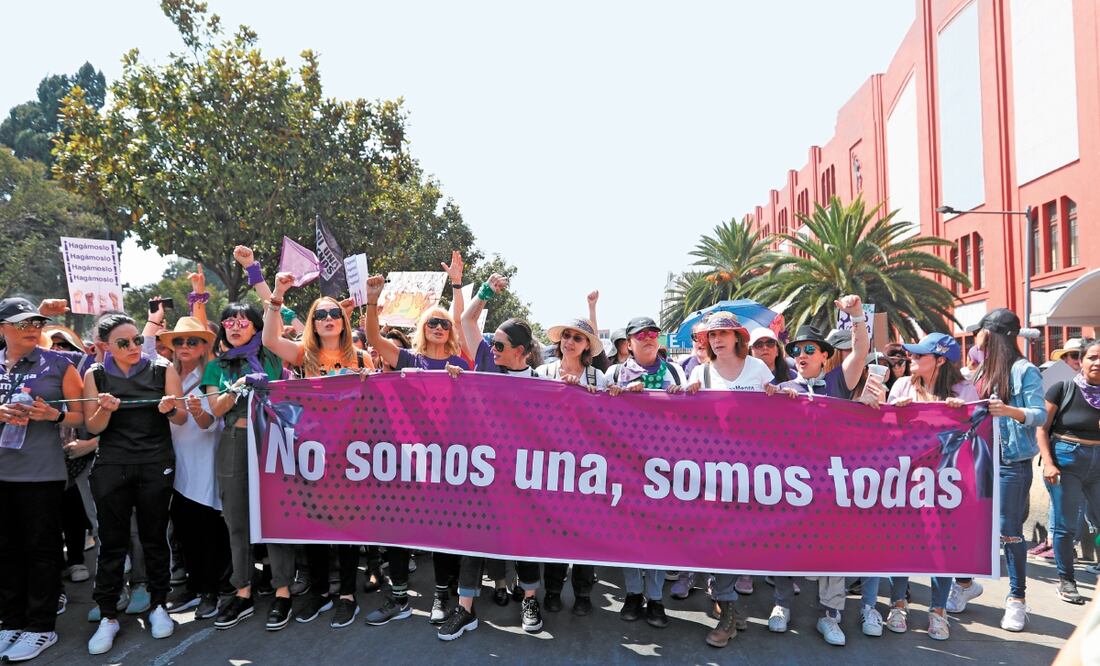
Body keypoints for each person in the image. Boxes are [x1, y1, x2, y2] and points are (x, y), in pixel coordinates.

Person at [433, 273, 545, 641]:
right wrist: (484, 292)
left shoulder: (542, 383)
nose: (492, 350)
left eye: (500, 346)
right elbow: (465, 321)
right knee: (473, 540)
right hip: (482, 475)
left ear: (522, 352)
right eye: (492, 344)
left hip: (523, 476)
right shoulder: (483, 363)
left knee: (525, 538)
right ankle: (464, 610)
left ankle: (530, 600)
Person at [359, 258, 467, 628]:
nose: (439, 327)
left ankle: (441, 595)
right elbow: (373, 340)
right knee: (398, 527)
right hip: (406, 459)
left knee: (442, 531)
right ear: (423, 328)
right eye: (432, 322)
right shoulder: (407, 358)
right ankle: (400, 595)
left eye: (445, 323)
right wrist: (372, 302)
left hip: (447, 461)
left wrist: (461, 380)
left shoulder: (462, 365)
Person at [859, 333, 977, 642]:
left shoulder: (964, 389)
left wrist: (962, 412)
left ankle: (938, 611)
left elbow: (978, 432)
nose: (911, 359)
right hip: (905, 478)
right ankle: (899, 605)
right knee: (902, 540)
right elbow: (884, 432)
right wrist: (893, 412)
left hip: (946, 480)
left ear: (940, 360)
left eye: (919, 355)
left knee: (941, 543)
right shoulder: (902, 386)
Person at [81, 314, 188, 655]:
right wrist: (106, 410)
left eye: (138, 340)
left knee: (154, 536)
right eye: (124, 343)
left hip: (155, 462)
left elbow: (182, 416)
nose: (133, 347)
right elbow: (93, 427)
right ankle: (108, 615)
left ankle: (159, 605)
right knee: (112, 541)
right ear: (104, 347)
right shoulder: (94, 374)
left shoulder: (161, 368)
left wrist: (170, 410)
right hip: (112, 465)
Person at [774, 295, 870, 647]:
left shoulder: (838, 384)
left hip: (832, 486)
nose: (802, 355)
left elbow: (860, 353)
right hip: (791, 486)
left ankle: (831, 616)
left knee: (834, 552)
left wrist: (857, 315)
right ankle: (782, 605)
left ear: (825, 355)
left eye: (810, 349)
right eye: (797, 349)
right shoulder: (784, 390)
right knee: (783, 545)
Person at [945, 308, 1044, 633]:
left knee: (1010, 531)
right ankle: (964, 583)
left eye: (981, 332)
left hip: (1011, 462)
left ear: (993, 334)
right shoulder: (979, 371)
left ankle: (1017, 600)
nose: (976, 338)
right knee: (968, 523)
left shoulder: (1023, 370)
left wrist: (1009, 411)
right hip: (978, 458)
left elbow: (1039, 414)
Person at [202, 299, 296, 632]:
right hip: (234, 444)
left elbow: (279, 328)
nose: (236, 326)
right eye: (229, 321)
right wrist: (238, 388)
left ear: (255, 326)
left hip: (271, 442)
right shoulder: (215, 367)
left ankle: (283, 591)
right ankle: (242, 591)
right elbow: (214, 409)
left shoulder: (270, 355)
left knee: (275, 517)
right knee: (237, 520)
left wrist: (272, 291)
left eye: (243, 321)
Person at [0, 298, 84, 662]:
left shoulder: (61, 364)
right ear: (2, 328)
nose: (31, 328)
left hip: (41, 473)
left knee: (42, 551)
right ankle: (10, 622)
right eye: (20, 323)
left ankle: (40, 627)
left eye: (35, 321)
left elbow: (81, 416)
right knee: (6, 551)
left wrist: (53, 414)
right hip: (2, 474)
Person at [685, 311, 776, 648]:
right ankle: (729, 609)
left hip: (754, 470)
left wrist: (781, 396)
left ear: (739, 337)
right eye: (712, 335)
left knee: (741, 542)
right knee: (717, 541)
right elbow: (682, 414)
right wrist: (686, 392)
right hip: (714, 473)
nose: (717, 339)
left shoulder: (758, 369)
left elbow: (778, 411)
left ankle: (731, 608)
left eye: (724, 333)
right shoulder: (700, 371)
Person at [606, 315, 689, 630]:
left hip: (664, 468)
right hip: (626, 467)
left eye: (653, 332)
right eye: (641, 334)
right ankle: (633, 594)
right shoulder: (614, 372)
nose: (649, 337)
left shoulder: (675, 371)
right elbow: (597, 408)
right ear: (629, 343)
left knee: (659, 534)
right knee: (629, 533)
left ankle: (655, 599)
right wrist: (621, 392)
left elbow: (689, 414)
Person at [158, 266, 229, 623]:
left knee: (205, 529)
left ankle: (211, 592)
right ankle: (190, 587)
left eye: (194, 341)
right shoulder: (166, 373)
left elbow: (206, 421)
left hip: (205, 458)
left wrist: (198, 294)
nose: (186, 346)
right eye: (179, 342)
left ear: (206, 346)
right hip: (172, 462)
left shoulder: (211, 372)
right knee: (182, 530)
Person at [535, 316, 605, 616]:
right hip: (553, 466)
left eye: (577, 338)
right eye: (566, 336)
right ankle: (551, 591)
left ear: (587, 345)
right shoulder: (542, 372)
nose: (570, 342)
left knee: (586, 534)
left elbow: (609, 421)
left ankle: (583, 593)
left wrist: (597, 399)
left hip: (587, 468)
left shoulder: (597, 378)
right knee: (554, 534)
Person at [1036, 338, 1100, 606]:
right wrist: (1049, 463)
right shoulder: (1062, 388)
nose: (1097, 363)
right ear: (1081, 361)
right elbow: (1041, 427)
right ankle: (1067, 580)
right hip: (1066, 460)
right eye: (1093, 357)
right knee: (1065, 526)